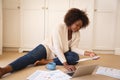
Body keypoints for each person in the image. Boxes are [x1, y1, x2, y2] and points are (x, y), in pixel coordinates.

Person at [0, 8, 99, 78]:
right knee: (29, 58)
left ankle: (46, 61)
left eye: (80, 27)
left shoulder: (76, 33)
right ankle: (4, 69)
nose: (78, 28)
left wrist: (89, 53)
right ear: (71, 20)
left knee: (75, 57)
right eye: (77, 25)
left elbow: (74, 48)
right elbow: (57, 47)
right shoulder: (59, 27)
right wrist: (65, 64)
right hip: (47, 48)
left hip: (59, 54)